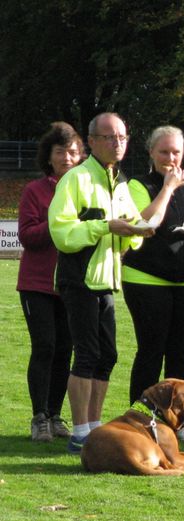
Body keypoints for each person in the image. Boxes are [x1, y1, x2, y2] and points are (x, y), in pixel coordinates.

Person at [48, 112, 152, 454]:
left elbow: (130, 229)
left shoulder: (119, 183)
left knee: (107, 355)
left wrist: (136, 232)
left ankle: (94, 427)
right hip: (78, 280)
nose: (117, 142)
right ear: (91, 142)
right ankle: (80, 431)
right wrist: (105, 226)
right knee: (87, 355)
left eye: (122, 137)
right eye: (109, 137)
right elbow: (62, 233)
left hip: (106, 280)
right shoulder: (75, 179)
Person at [121, 126, 184, 442]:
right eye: (164, 151)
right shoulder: (138, 185)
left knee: (181, 352)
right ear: (151, 152)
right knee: (151, 350)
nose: (170, 158)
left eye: (176, 152)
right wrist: (168, 188)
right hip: (147, 279)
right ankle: (141, 418)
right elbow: (145, 222)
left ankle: (183, 420)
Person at [17, 122, 83, 442]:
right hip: (37, 284)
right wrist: (57, 223)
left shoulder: (85, 191)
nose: (67, 158)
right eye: (60, 152)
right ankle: (39, 416)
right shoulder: (35, 191)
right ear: (49, 156)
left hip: (72, 284)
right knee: (45, 346)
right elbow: (28, 236)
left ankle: (56, 416)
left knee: (65, 350)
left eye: (72, 152)